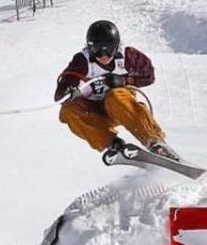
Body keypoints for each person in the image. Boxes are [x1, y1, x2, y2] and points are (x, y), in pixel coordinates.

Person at [54, 20, 179, 161]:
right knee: (68, 111)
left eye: (109, 49)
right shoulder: (83, 61)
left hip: (122, 108)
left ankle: (154, 141)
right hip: (95, 113)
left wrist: (124, 80)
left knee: (114, 96)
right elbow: (60, 93)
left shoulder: (128, 57)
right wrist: (68, 91)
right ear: (90, 48)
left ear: (117, 46)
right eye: (97, 49)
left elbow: (149, 76)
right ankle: (112, 144)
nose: (103, 55)